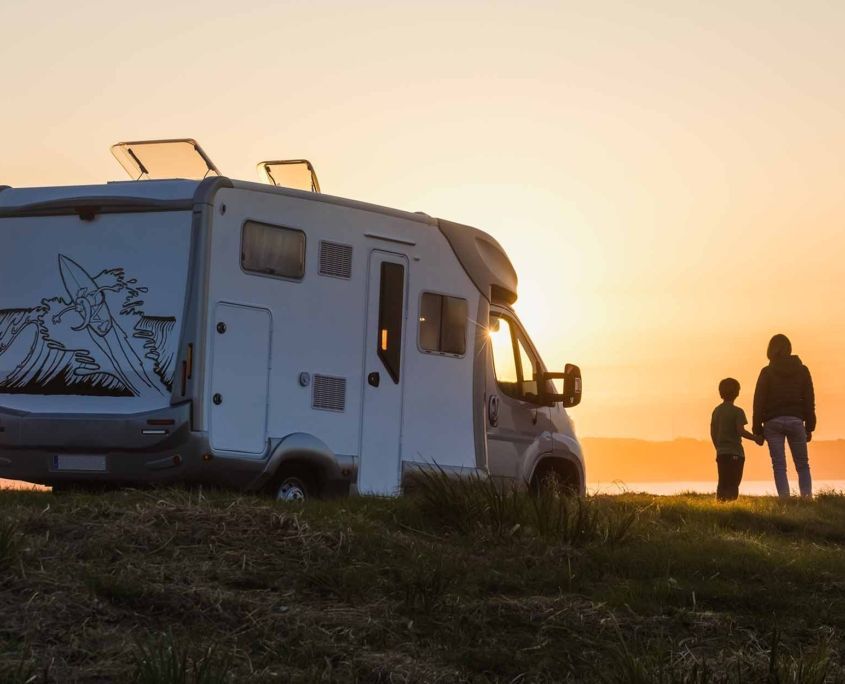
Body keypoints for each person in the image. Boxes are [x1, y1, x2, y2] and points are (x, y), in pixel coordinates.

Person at [752, 334, 816, 498]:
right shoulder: (802, 370)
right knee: (802, 464)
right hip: (796, 420)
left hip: (772, 422)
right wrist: (810, 426)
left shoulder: (766, 372)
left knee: (779, 465)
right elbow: (809, 399)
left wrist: (757, 429)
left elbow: (759, 401)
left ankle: (785, 500)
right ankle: (807, 499)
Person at [711, 377, 760, 501]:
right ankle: (731, 505)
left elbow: (713, 432)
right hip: (736, 452)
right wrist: (755, 438)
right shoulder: (738, 412)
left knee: (722, 481)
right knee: (734, 483)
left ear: (720, 392)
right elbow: (741, 431)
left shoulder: (716, 411)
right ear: (737, 393)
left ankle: (720, 505)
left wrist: (718, 447)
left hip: (722, 452)